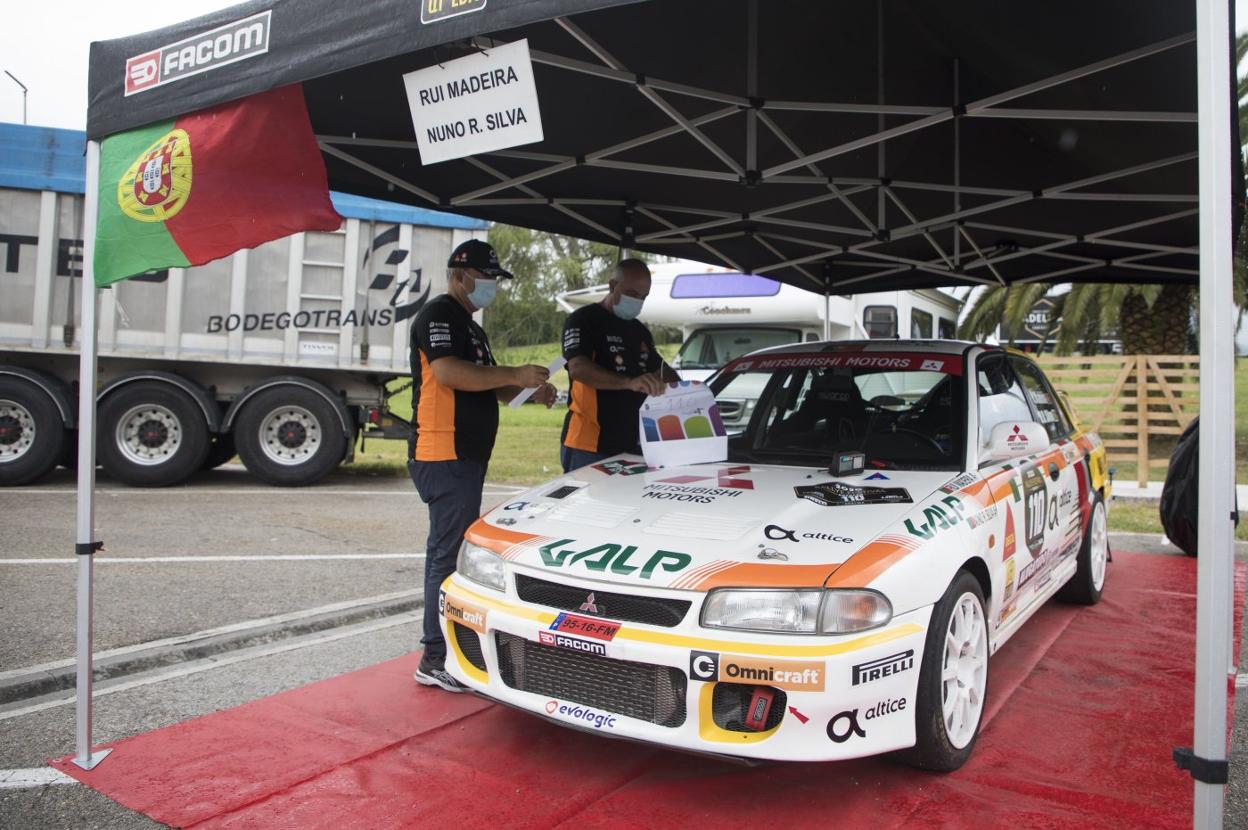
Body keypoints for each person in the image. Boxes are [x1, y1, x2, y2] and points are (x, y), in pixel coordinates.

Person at [408, 239, 555, 692]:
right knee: (447, 555)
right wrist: (514, 373)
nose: (491, 287)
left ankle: (444, 649)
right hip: (443, 450)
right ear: (460, 275)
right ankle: (435, 657)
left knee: (451, 551)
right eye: (486, 279)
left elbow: (487, 386)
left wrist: (529, 391)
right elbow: (450, 373)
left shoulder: (472, 328)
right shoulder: (438, 316)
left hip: (465, 454)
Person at [560, 258, 678, 472]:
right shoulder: (583, 320)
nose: (638, 301)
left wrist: (671, 382)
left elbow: (661, 369)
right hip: (589, 444)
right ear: (613, 285)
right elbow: (578, 368)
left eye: (644, 297)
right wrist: (629, 383)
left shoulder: (639, 330)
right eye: (632, 294)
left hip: (633, 444)